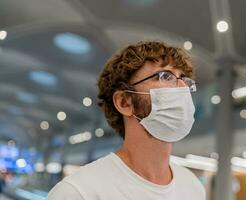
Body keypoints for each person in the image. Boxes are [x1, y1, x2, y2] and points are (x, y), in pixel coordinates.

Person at [47, 41, 206, 200]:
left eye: (184, 79)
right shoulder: (77, 192)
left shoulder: (192, 187)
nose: (181, 88)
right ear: (124, 102)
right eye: (165, 76)